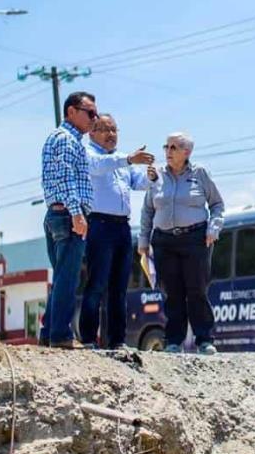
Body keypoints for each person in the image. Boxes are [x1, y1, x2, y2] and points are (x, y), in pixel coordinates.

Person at [138, 132, 224, 355]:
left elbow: (217, 205)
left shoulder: (200, 174)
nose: (168, 151)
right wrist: (144, 241)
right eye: (166, 146)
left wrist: (214, 228)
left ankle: (204, 339)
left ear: (187, 152)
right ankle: (174, 341)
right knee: (172, 293)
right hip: (164, 241)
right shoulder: (156, 175)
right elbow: (148, 210)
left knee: (197, 290)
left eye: (174, 147)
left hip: (195, 239)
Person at [79, 113, 156, 348]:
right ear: (92, 131)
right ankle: (90, 339)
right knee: (96, 285)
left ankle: (117, 341)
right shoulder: (89, 154)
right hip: (99, 225)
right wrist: (129, 158)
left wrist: (151, 177)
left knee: (119, 288)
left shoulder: (120, 161)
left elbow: (137, 182)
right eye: (105, 129)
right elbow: (99, 167)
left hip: (122, 227)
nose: (111, 134)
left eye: (114, 130)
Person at [39, 91, 98, 349]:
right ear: (71, 112)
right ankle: (61, 335)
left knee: (62, 276)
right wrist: (76, 213)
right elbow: (65, 178)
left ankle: (48, 332)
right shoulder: (66, 139)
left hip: (57, 214)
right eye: (90, 113)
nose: (93, 119)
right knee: (68, 278)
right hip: (67, 214)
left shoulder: (62, 138)